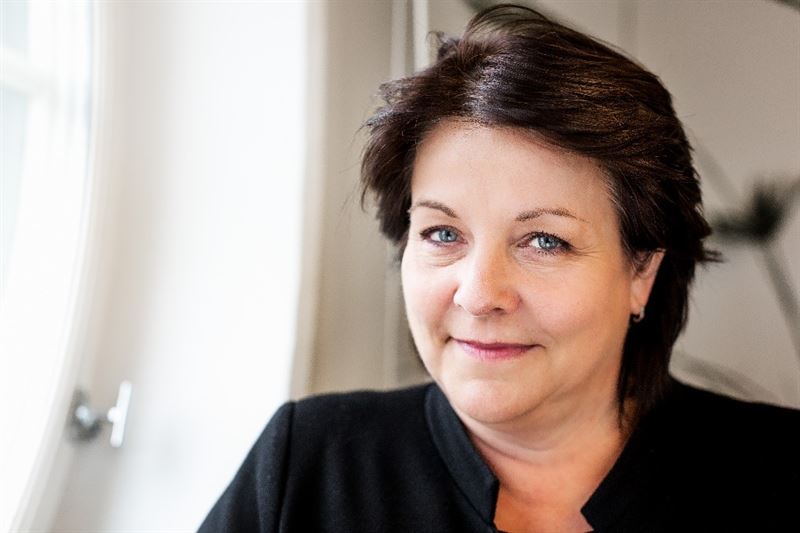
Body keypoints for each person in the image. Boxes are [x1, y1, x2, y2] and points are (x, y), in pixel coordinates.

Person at [199, 5, 799, 532]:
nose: (479, 294)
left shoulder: (780, 475)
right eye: (442, 233)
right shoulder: (307, 465)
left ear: (641, 272)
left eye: (544, 241)